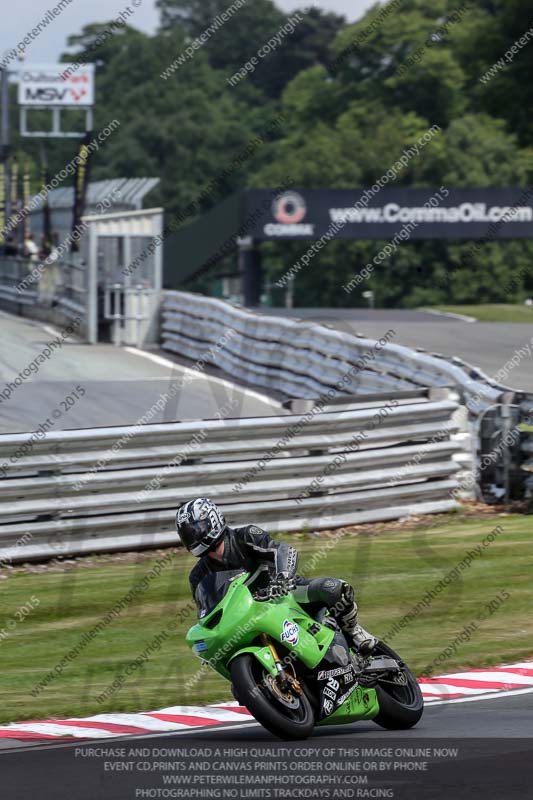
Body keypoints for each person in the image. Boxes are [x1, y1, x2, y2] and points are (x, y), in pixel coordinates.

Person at [176, 497, 377, 653]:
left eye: (196, 530)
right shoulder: (197, 575)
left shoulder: (245, 536)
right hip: (246, 617)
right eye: (187, 535)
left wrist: (283, 578)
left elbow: (283, 550)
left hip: (284, 595)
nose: (193, 538)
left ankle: (354, 631)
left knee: (333, 588)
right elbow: (207, 612)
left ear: (213, 521)